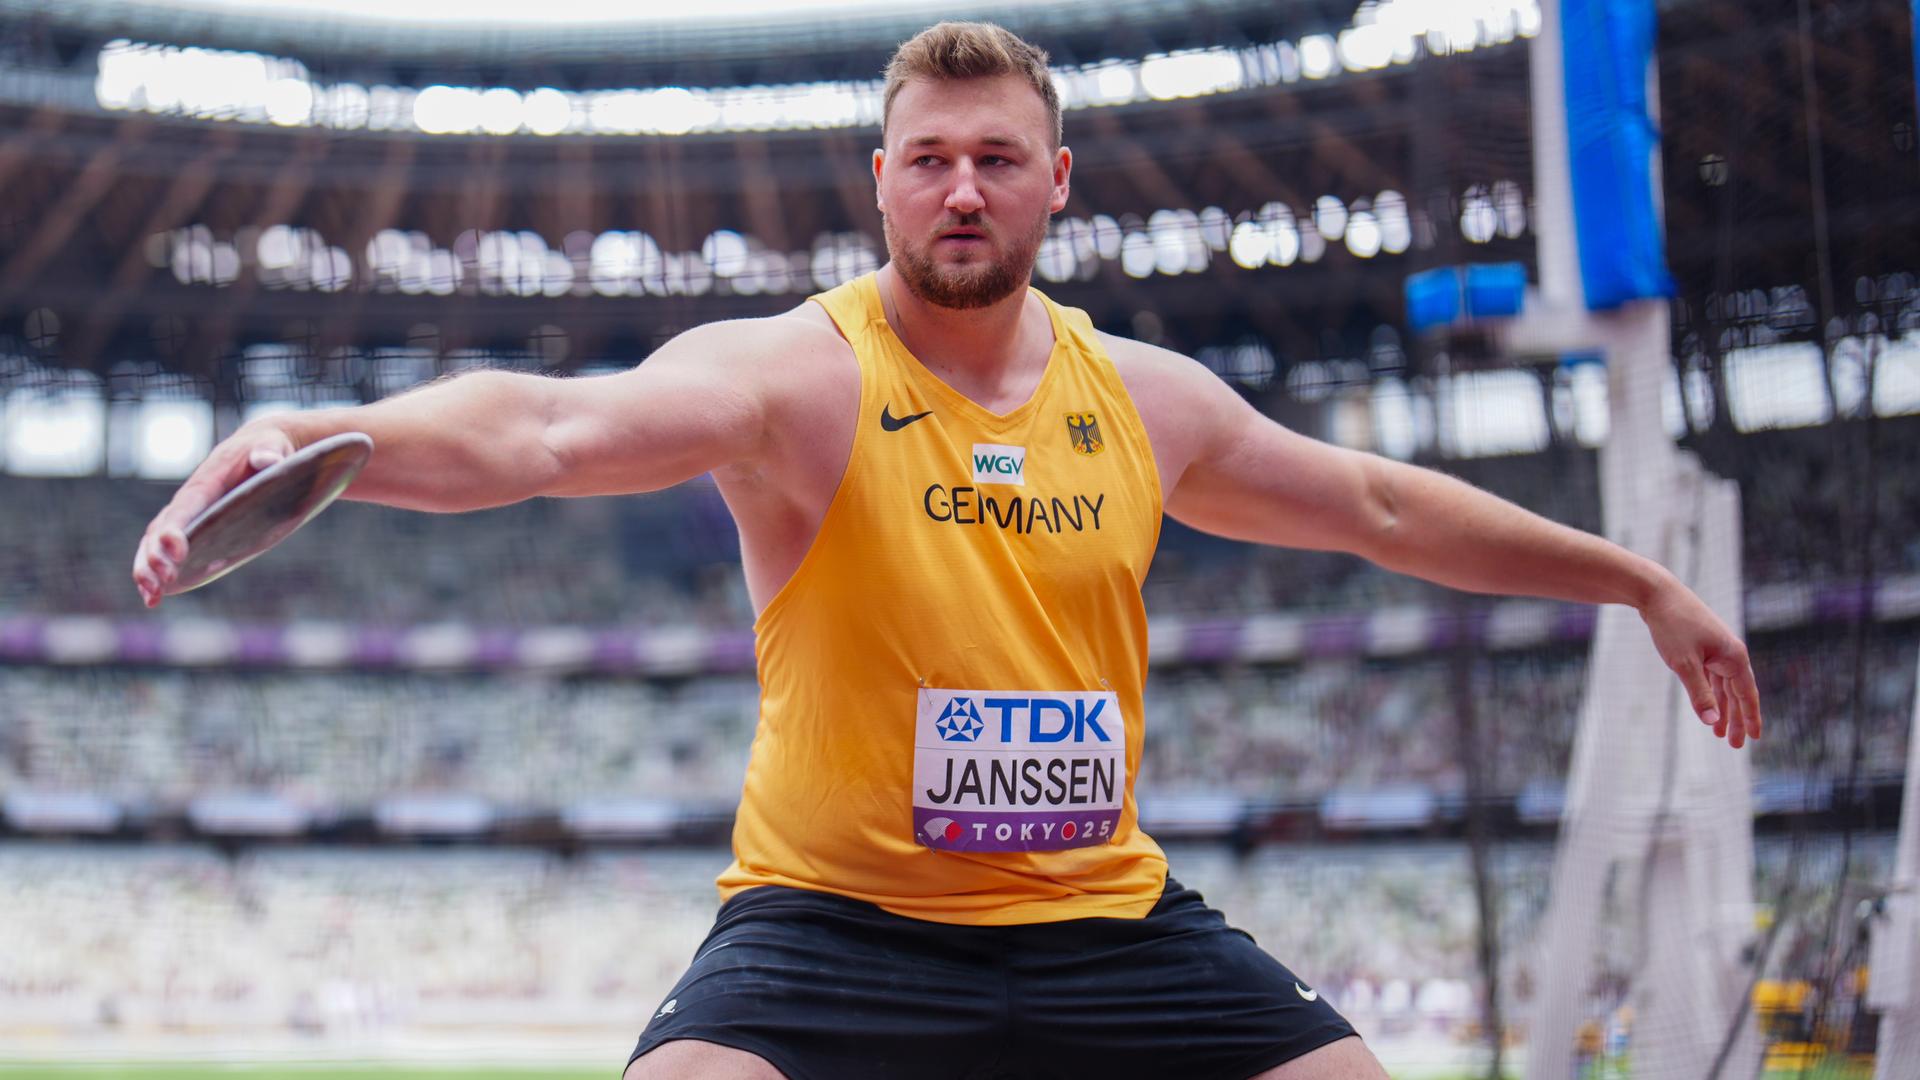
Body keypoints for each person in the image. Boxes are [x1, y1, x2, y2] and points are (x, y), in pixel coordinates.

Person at [131, 21, 1763, 1080]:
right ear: (882, 186)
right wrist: (304, 443)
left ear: (1055, 183)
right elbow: (550, 432)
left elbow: (1386, 507)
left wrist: (1640, 579)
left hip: (1103, 922)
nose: (961, 190)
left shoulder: (1149, 400)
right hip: (829, 927)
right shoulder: (798, 377)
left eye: (994, 160)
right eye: (929, 160)